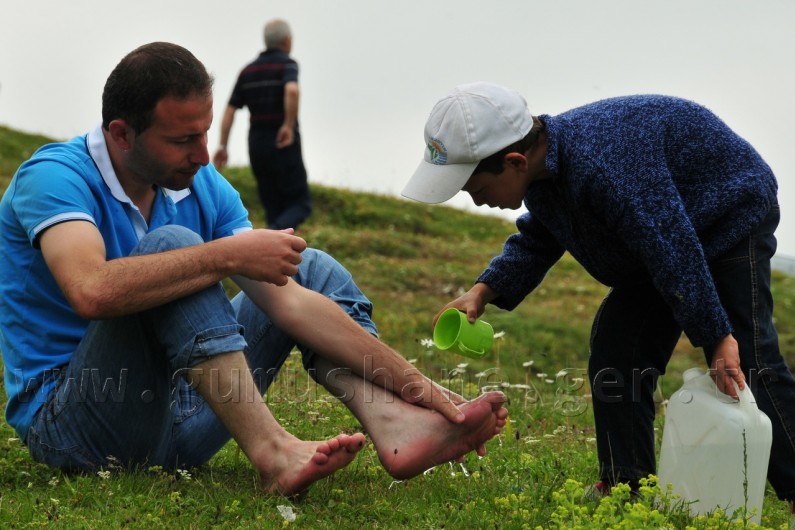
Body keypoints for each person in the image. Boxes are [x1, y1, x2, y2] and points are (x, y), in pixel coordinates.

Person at [0, 44, 508, 497]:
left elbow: (288, 303)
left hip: (186, 420)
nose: (203, 155)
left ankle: (395, 421)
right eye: (183, 140)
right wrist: (223, 256)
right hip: (74, 426)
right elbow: (90, 291)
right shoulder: (54, 177)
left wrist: (422, 388)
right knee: (176, 249)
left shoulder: (201, 183)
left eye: (205, 133)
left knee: (307, 267)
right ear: (121, 133)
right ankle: (274, 453)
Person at [402, 82, 795, 514]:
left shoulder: (606, 165)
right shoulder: (545, 171)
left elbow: (672, 247)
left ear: (514, 161)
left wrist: (716, 337)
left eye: (477, 189)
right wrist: (483, 290)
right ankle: (625, 485)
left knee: (749, 357)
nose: (477, 201)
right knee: (618, 346)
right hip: (659, 238)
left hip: (726, 215)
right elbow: (541, 236)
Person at [213, 19, 312, 231]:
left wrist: (223, 146)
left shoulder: (247, 71)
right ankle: (269, 236)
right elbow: (292, 91)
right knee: (300, 204)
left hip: (257, 143)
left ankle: (273, 249)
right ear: (287, 40)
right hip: (283, 141)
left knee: (272, 205)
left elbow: (230, 110)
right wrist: (287, 125)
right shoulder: (288, 65)